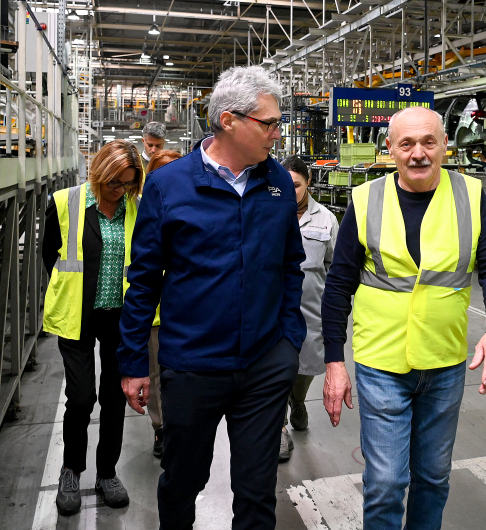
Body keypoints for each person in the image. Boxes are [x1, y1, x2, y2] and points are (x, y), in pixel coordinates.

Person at [118, 66, 305, 530]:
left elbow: (290, 265)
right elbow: (144, 280)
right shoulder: (169, 184)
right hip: (193, 366)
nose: (277, 134)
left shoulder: (278, 183)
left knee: (257, 491)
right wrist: (134, 362)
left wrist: (289, 341)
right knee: (182, 482)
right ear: (228, 121)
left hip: (264, 363)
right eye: (269, 123)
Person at [322, 106, 486, 530]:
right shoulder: (366, 199)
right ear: (390, 149)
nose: (418, 153)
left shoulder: (469, 194)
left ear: (445, 145)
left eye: (429, 142)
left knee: (433, 477)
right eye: (406, 143)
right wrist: (334, 360)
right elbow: (338, 283)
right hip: (381, 362)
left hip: (445, 361)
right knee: (386, 482)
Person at [41, 139, 144, 515]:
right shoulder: (65, 201)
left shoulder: (137, 208)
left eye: (129, 183)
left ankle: (107, 473)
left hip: (120, 317)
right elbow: (49, 254)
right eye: (115, 182)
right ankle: (71, 470)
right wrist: (68, 292)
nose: (121, 190)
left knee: (114, 398)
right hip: (77, 314)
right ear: (99, 173)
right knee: (82, 398)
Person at [279, 154, 339, 463]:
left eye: (297, 185)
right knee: (276, 370)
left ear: (308, 182)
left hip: (313, 311)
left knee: (308, 367)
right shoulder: (271, 213)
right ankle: (279, 428)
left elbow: (335, 266)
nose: (291, 191)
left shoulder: (326, 219)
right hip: (277, 311)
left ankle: (298, 401)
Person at [143, 148, 182, 458]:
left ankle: (183, 425)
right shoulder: (143, 210)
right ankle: (161, 428)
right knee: (156, 377)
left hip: (187, 311)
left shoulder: (193, 207)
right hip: (155, 313)